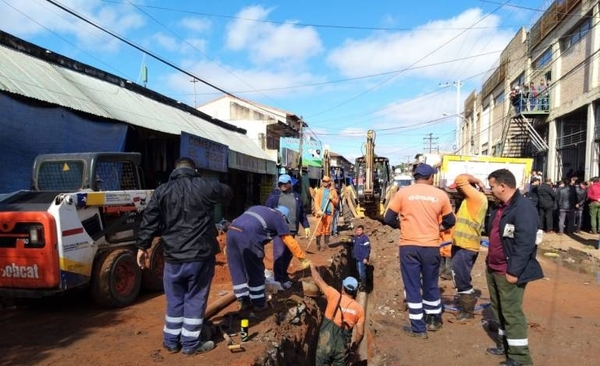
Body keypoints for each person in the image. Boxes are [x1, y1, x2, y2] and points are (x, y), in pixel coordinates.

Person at [136, 157, 233, 356]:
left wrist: (142, 246)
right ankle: (190, 344)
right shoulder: (205, 186)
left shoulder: (161, 191)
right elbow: (227, 192)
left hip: (172, 256)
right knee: (195, 298)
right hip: (200, 256)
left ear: (175, 170)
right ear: (194, 169)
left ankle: (171, 341)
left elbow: (149, 219)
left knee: (175, 299)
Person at [384, 163, 455, 338]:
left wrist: (401, 225)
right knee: (431, 284)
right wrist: (438, 228)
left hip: (409, 246)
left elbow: (388, 218)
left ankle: (418, 328)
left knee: (412, 286)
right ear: (430, 177)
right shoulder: (440, 195)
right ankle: (433, 320)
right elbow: (450, 221)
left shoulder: (403, 193)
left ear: (415, 177)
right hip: (431, 246)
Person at [485, 169, 544, 366]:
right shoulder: (501, 207)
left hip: (508, 271)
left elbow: (525, 243)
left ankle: (520, 358)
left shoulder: (524, 208)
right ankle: (504, 345)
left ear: (503, 186)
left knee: (511, 313)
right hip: (493, 268)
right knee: (499, 309)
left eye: (492, 186)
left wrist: (513, 271)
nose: (490, 190)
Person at [226, 205, 310, 311]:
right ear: (284, 216)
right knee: (255, 269)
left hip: (231, 232)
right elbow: (289, 241)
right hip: (248, 234)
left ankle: (243, 301)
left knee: (237, 268)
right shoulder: (279, 218)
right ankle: (258, 303)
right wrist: (302, 258)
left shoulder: (259, 208)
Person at [447, 174, 488, 321]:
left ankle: (467, 311)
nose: (457, 190)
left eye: (458, 188)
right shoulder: (468, 201)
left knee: (462, 279)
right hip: (461, 245)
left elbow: (460, 178)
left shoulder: (476, 198)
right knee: (459, 276)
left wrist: (477, 180)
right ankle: (465, 305)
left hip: (466, 247)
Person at [310, 262, 365, 366]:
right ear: (356, 291)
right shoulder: (359, 309)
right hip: (342, 347)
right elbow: (360, 333)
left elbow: (317, 280)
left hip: (325, 342)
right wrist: (354, 347)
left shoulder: (333, 295)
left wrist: (312, 267)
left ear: (343, 288)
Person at [265, 174, 311, 288]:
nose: (282, 186)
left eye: (285, 183)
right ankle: (278, 279)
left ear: (290, 183)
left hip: (292, 230)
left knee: (288, 254)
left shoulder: (296, 197)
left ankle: (284, 275)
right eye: (280, 183)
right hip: (279, 231)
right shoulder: (274, 196)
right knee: (279, 254)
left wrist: (306, 225)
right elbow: (267, 211)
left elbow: (301, 213)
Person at [313, 176, 340, 251]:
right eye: (323, 181)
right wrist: (319, 210)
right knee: (319, 229)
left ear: (329, 182)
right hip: (321, 212)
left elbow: (337, 203)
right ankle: (318, 245)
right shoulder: (319, 191)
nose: (324, 182)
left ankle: (326, 245)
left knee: (327, 228)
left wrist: (332, 199)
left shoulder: (333, 191)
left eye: (326, 181)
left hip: (329, 212)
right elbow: (316, 202)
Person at [351, 225, 370, 292]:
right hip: (356, 257)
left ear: (362, 231)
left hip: (362, 259)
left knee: (362, 272)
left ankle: (363, 286)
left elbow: (368, 249)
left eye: (360, 230)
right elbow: (352, 242)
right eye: (357, 230)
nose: (358, 231)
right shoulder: (356, 237)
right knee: (358, 271)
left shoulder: (365, 238)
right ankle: (359, 283)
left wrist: (365, 258)